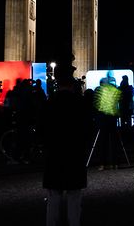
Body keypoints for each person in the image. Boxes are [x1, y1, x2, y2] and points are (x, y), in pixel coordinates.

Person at [41, 63, 92, 226]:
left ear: (57, 82)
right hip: (74, 155)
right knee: (74, 198)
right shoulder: (80, 103)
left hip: (54, 155)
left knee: (53, 198)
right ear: (72, 83)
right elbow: (87, 130)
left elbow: (42, 131)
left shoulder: (49, 103)